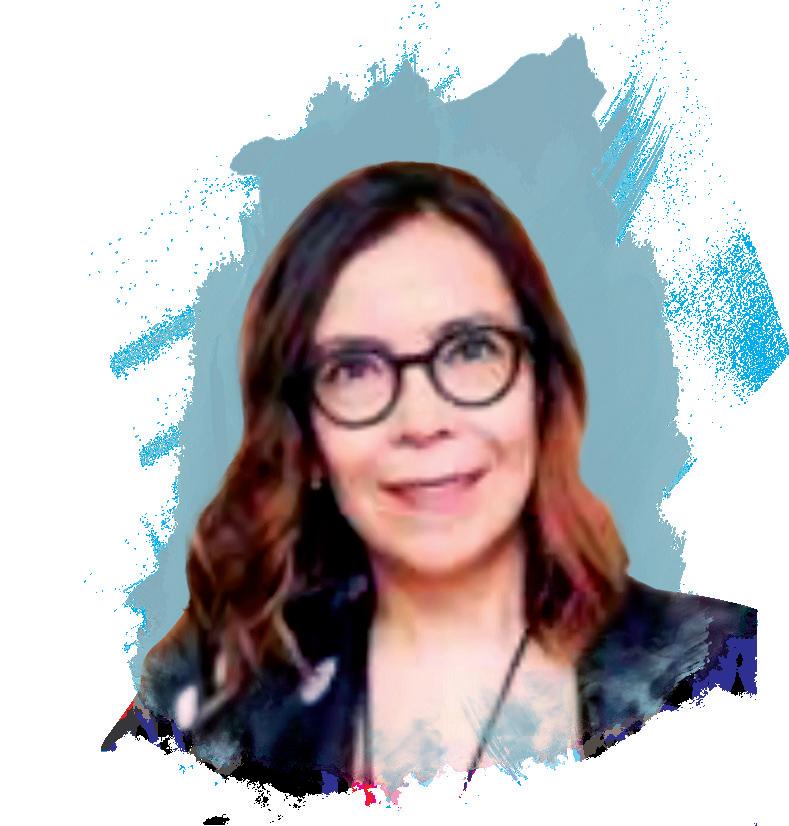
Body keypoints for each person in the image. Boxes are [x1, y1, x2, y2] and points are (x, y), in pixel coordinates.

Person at [102, 161, 756, 798]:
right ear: (303, 438)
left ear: (542, 391)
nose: (423, 420)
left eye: (471, 349)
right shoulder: (200, 720)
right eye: (354, 369)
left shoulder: (728, 676)